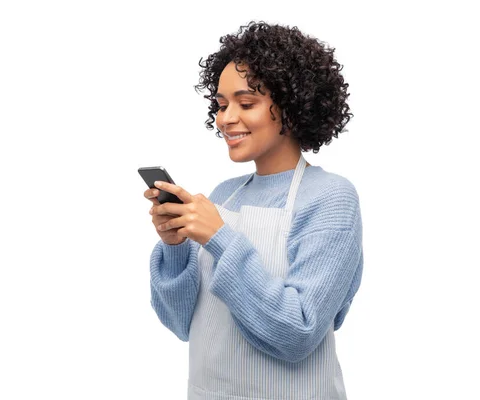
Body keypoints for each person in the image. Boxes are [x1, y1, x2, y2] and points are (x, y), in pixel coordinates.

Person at [144, 20, 363, 400]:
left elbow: (298, 332)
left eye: (246, 103)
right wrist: (176, 245)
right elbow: (183, 323)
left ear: (292, 106)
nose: (227, 118)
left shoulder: (331, 198)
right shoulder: (223, 196)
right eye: (221, 104)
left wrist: (218, 237)